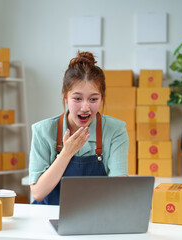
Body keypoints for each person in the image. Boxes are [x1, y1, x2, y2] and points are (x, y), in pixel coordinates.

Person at [29, 51, 129, 205]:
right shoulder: (43, 131)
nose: (85, 107)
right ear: (65, 96)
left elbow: (120, 190)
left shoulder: (116, 130)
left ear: (102, 97)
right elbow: (38, 193)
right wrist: (66, 153)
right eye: (77, 98)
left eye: (93, 99)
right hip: (51, 214)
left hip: (96, 214)